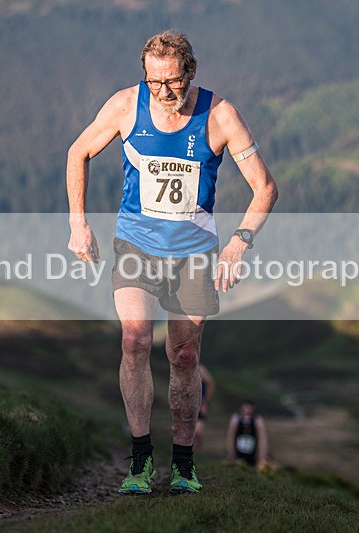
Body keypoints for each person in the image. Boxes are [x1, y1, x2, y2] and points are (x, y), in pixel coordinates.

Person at [66, 30, 278, 495]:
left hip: (193, 254)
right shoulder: (125, 105)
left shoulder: (220, 115)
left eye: (174, 82)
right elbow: (77, 152)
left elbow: (265, 187)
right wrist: (78, 224)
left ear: (191, 72)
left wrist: (239, 243)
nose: (164, 92)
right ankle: (140, 460)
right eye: (154, 81)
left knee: (184, 357)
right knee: (135, 341)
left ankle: (183, 465)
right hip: (136, 245)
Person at [226, 400, 269, 469]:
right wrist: (230, 453)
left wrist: (262, 456)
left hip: (252, 456)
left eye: (249, 409)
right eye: (245, 409)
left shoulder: (257, 420)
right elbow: (231, 436)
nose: (247, 411)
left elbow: (262, 439)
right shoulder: (236, 419)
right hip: (238, 455)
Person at [194, 364, 215, 451]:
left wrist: (205, 400)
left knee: (198, 432)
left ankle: (198, 450)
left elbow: (211, 383)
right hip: (188, 405)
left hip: (200, 405)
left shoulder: (200, 369)